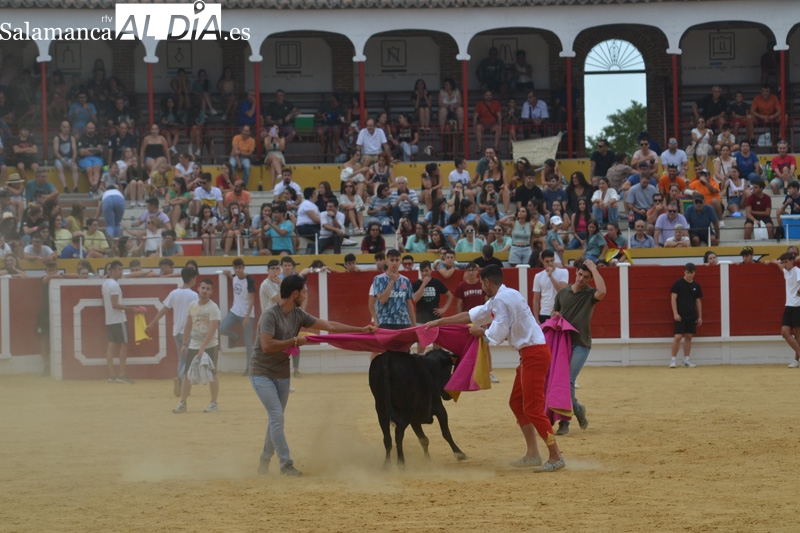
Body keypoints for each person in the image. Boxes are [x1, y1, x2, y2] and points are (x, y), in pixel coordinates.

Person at [426, 265, 565, 472]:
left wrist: (481, 332)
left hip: (534, 354)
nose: (482, 287)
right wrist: (440, 321)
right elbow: (472, 315)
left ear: (487, 282)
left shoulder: (501, 299)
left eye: (482, 283)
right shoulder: (505, 295)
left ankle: (555, 455)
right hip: (530, 354)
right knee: (517, 403)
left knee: (533, 408)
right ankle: (533, 454)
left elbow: (498, 330)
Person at [251, 274, 375, 476]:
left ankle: (264, 460)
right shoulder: (270, 315)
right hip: (261, 372)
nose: (306, 295)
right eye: (305, 292)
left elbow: (330, 326)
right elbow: (266, 346)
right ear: (295, 293)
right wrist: (293, 341)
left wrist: (361, 329)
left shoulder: (298, 315)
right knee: (276, 417)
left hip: (281, 373)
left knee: (276, 418)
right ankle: (286, 465)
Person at [551, 259, 607, 436]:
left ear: (590, 279)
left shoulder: (590, 294)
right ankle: (578, 410)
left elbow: (603, 291)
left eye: (586, 277)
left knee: (568, 381)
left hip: (581, 343)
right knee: (559, 381)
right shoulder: (563, 292)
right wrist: (556, 315)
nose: (581, 279)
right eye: (580, 274)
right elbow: (555, 312)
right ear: (576, 273)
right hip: (562, 343)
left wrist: (593, 268)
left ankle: (564, 422)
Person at [173, 278, 222, 414]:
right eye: (203, 288)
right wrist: (184, 343)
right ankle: (183, 402)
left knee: (212, 373)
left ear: (211, 292)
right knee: (187, 373)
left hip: (210, 345)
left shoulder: (213, 307)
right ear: (198, 289)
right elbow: (188, 325)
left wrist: (203, 348)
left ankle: (213, 403)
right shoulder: (192, 305)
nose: (205, 291)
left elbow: (212, 330)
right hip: (194, 344)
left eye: (208, 289)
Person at [147, 267, 198, 396]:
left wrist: (152, 323)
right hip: (189, 331)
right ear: (193, 279)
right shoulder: (193, 295)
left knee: (182, 359)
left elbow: (163, 310)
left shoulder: (174, 293)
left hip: (176, 331)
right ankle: (181, 379)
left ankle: (182, 386)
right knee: (190, 361)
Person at [102, 261, 142, 384]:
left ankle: (112, 375)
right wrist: (132, 309)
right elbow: (115, 305)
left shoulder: (105, 284)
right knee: (125, 344)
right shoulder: (114, 285)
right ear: (112, 271)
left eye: (121, 269)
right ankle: (122, 374)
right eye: (118, 270)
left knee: (111, 346)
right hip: (118, 319)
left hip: (110, 319)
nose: (120, 272)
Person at [218, 258, 256, 372]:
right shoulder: (235, 277)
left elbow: (252, 299)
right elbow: (233, 279)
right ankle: (235, 337)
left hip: (246, 314)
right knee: (221, 328)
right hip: (235, 311)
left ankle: (249, 367)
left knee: (248, 342)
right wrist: (228, 274)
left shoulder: (249, 280)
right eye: (236, 268)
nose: (238, 270)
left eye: (240, 267)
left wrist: (248, 316)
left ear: (243, 267)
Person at [411, 260, 453, 352]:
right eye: (422, 271)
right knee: (421, 348)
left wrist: (444, 309)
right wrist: (424, 284)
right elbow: (415, 299)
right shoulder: (416, 284)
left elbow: (450, 296)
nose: (424, 273)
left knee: (437, 347)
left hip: (435, 318)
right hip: (421, 320)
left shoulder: (437, 282)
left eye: (426, 270)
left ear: (431, 270)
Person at [369, 249, 415, 329]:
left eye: (397, 260)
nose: (394, 263)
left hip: (404, 321)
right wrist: (392, 281)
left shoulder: (405, 280)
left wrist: (414, 325)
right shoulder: (379, 279)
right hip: (385, 321)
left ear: (400, 262)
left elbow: (409, 304)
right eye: (392, 260)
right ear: (387, 262)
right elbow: (382, 300)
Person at [670, 262, 702, 369]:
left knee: (689, 337)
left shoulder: (696, 286)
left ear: (694, 273)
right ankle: (673, 360)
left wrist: (700, 316)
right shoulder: (678, 283)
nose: (689, 275)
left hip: (691, 315)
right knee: (678, 337)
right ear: (684, 272)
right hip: (680, 314)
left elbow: (698, 301)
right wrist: (675, 313)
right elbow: (673, 298)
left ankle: (686, 360)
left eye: (691, 273)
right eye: (688, 272)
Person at [773, 253, 800, 368]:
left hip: (798, 306)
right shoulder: (786, 271)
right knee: (784, 332)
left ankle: (796, 360)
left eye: (786, 262)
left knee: (798, 335)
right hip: (789, 305)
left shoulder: (797, 271)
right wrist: (775, 262)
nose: (784, 264)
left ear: (792, 261)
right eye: (783, 262)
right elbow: (780, 266)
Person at [532, 249, 569, 324]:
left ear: (554, 259)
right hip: (544, 312)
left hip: (559, 311)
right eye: (547, 261)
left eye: (552, 260)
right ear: (542, 261)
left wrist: (550, 275)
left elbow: (561, 290)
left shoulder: (563, 272)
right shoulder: (538, 276)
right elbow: (536, 299)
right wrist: (536, 318)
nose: (550, 263)